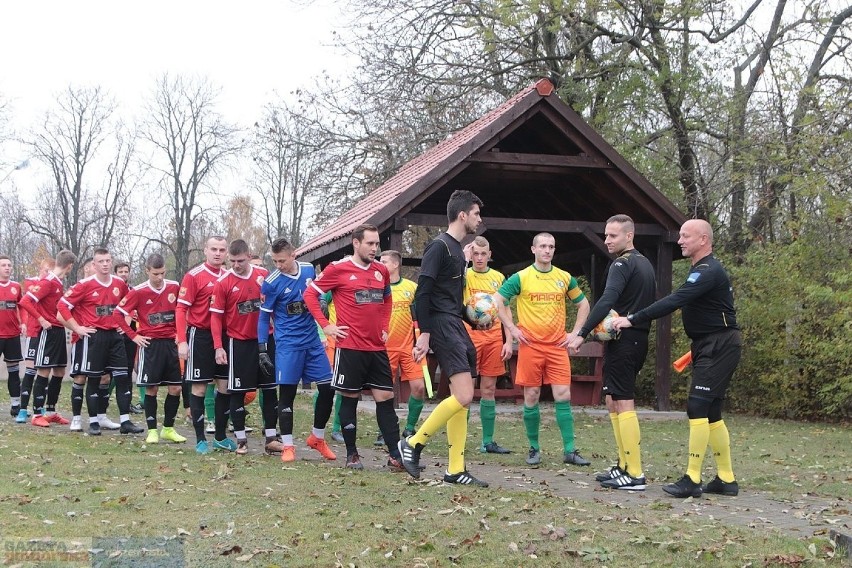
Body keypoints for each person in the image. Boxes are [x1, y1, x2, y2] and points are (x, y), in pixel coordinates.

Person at [612, 219, 741, 498]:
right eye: (680, 235)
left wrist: (632, 318)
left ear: (703, 240)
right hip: (710, 344)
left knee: (697, 406)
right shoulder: (700, 269)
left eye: (685, 236)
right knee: (712, 411)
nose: (680, 240)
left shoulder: (708, 270)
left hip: (720, 344)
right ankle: (726, 479)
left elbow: (675, 300)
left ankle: (692, 479)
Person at [397, 190, 489, 487]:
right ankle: (413, 444)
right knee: (463, 395)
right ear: (463, 215)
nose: (479, 218)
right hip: (440, 327)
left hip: (455, 324)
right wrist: (424, 335)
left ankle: (455, 469)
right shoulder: (439, 247)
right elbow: (423, 294)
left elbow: (447, 298)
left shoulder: (457, 251)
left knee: (461, 400)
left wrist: (473, 317)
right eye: (476, 213)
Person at [568, 215, 656, 490]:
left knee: (624, 401)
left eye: (613, 236)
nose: (607, 240)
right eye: (605, 235)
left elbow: (607, 300)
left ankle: (635, 474)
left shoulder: (621, 263)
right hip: (636, 339)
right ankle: (624, 465)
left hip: (624, 339)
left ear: (629, 236)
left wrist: (581, 333)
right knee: (614, 400)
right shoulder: (645, 264)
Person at [305, 224, 403, 471]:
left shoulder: (381, 271)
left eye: (377, 244)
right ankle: (352, 454)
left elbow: (387, 298)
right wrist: (326, 325)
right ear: (356, 243)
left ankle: (395, 455)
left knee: (386, 398)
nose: (375, 248)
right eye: (370, 244)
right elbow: (309, 295)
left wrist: (383, 325)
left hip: (377, 348)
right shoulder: (338, 269)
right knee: (350, 398)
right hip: (350, 348)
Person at [495, 232, 592, 468]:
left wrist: (576, 333)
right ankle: (534, 448)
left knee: (563, 396)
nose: (547, 250)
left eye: (551, 247)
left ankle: (569, 450)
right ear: (533, 249)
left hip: (558, 346)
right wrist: (512, 328)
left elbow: (584, 304)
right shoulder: (521, 277)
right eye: (543, 246)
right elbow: (497, 300)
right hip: (530, 347)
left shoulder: (564, 277)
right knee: (531, 397)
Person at [259, 237, 337, 463]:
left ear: (293, 255)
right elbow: (263, 318)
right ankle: (288, 445)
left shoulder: (308, 269)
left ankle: (318, 438)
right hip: (288, 345)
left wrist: (321, 302)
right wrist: (262, 348)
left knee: (327, 389)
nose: (278, 265)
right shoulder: (271, 282)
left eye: (282, 260)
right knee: (287, 395)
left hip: (312, 341)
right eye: (274, 261)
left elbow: (318, 295)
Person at [58, 248, 143, 435]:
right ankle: (93, 421)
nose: (105, 264)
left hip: (115, 336)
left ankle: (125, 421)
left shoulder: (120, 283)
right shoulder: (84, 285)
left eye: (108, 260)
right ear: (94, 265)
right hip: (95, 337)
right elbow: (62, 306)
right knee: (93, 379)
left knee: (121, 378)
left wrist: (125, 323)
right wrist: (77, 328)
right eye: (101, 261)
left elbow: (129, 304)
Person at [210, 239, 281, 455]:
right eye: (232, 261)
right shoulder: (223, 282)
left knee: (269, 390)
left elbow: (275, 304)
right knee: (237, 392)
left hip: (265, 341)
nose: (236, 265)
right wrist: (218, 346)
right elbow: (215, 317)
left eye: (240, 260)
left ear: (249, 256)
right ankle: (241, 439)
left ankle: (271, 437)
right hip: (238, 343)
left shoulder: (263, 275)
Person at [113, 253, 186, 444]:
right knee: (151, 388)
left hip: (171, 343)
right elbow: (117, 314)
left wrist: (180, 333)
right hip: (150, 344)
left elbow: (182, 310)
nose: (160, 277)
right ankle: (152, 430)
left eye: (162, 273)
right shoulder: (138, 291)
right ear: (147, 271)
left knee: (176, 388)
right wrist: (134, 336)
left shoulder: (174, 286)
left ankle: (168, 429)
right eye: (155, 274)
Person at [176, 236, 228, 454]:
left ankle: (220, 437)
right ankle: (200, 439)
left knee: (225, 387)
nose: (217, 253)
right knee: (199, 387)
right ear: (205, 250)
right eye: (213, 249)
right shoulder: (193, 276)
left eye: (222, 250)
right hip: (200, 336)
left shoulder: (229, 276)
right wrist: (182, 341)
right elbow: (180, 309)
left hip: (225, 337)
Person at [464, 237, 512, 454]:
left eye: (484, 254)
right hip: (468, 338)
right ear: (471, 254)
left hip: (493, 339)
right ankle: (459, 438)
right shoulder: (464, 274)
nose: (480, 258)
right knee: (464, 391)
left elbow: (506, 309)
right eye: (476, 254)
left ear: (490, 255)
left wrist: (509, 340)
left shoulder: (499, 278)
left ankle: (487, 441)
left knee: (489, 389)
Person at [378, 249, 425, 441]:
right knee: (384, 393)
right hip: (384, 349)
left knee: (419, 388)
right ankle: (385, 430)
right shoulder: (378, 288)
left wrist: (422, 340)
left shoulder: (412, 287)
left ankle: (410, 428)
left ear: (396, 264)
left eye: (384, 261)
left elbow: (421, 316)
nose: (381, 265)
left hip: (409, 348)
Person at [16, 258, 53, 423]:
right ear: (41, 268)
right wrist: (24, 323)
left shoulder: (54, 286)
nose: (48, 274)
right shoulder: (32, 283)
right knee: (30, 371)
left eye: (51, 271)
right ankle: (23, 409)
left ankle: (40, 407)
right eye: (46, 270)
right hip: (34, 332)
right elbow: (26, 303)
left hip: (47, 333)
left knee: (44, 372)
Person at [114, 261, 144, 415]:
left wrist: (135, 315)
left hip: (131, 333)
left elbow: (135, 309)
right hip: (116, 333)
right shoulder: (113, 290)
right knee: (113, 371)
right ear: (116, 273)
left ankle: (128, 403)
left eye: (126, 271)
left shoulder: (133, 290)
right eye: (121, 271)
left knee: (128, 367)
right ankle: (103, 400)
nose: (124, 274)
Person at [0, 256, 25, 417]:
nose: (7, 268)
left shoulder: (16, 286)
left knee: (14, 371)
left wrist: (23, 323)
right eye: (3, 265)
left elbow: (22, 306)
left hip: (12, 335)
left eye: (9, 265)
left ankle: (16, 404)